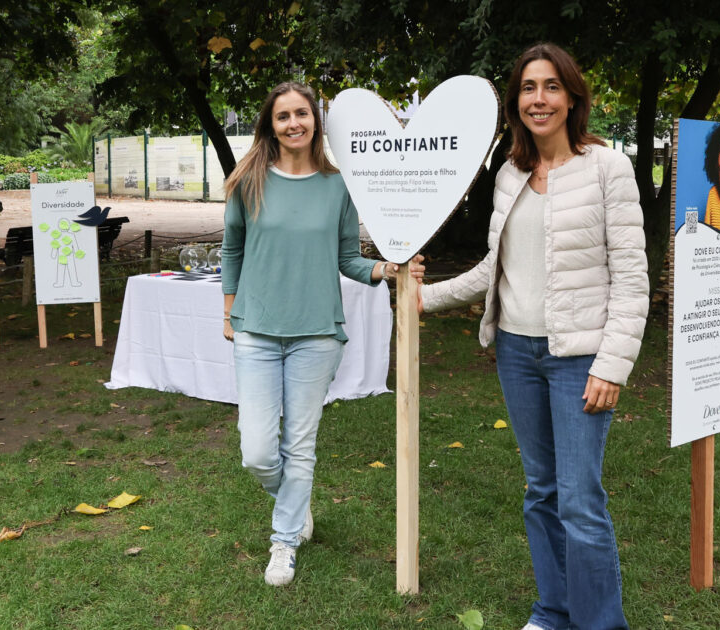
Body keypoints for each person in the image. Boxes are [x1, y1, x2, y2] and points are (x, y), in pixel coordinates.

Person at [418, 43, 648, 630]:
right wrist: (421, 297)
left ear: (572, 96)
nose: (538, 99)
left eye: (550, 86)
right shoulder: (511, 174)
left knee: (580, 501)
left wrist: (611, 366)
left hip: (580, 358)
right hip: (516, 353)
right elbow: (491, 268)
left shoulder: (607, 169)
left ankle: (601, 624)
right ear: (516, 101)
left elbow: (631, 279)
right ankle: (553, 611)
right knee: (541, 491)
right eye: (527, 88)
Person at [220, 81, 423, 587]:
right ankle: (294, 500)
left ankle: (284, 541)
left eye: (302, 114)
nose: (294, 124)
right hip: (257, 331)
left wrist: (387, 270)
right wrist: (229, 313)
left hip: (316, 335)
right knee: (258, 452)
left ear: (316, 120)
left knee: (301, 444)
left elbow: (347, 259)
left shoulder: (338, 186)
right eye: (283, 116)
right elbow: (231, 252)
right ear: (270, 123)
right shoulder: (249, 181)